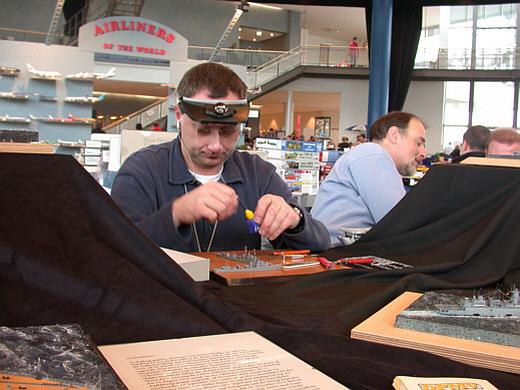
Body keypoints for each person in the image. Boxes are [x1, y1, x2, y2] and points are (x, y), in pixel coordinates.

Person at [111, 62, 330, 252]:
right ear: (179, 116)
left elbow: (321, 245)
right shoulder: (142, 171)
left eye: (227, 132)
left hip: (237, 300)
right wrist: (176, 214)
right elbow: (116, 250)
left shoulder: (258, 173)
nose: (216, 146)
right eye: (204, 130)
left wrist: (294, 220)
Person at [311, 111, 426, 246]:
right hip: (333, 256)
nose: (423, 153)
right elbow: (401, 224)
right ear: (394, 135)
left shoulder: (368, 157)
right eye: (418, 143)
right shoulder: (373, 154)